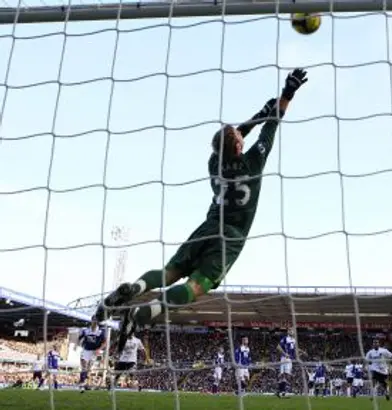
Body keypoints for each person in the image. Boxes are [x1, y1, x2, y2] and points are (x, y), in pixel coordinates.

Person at [93, 69, 309, 352]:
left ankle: (136, 288)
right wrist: (287, 94)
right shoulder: (254, 161)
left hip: (207, 227)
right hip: (231, 236)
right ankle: (144, 313)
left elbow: (237, 134)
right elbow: (273, 125)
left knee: (169, 271)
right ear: (239, 146)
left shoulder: (213, 163)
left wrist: (258, 114)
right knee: (198, 286)